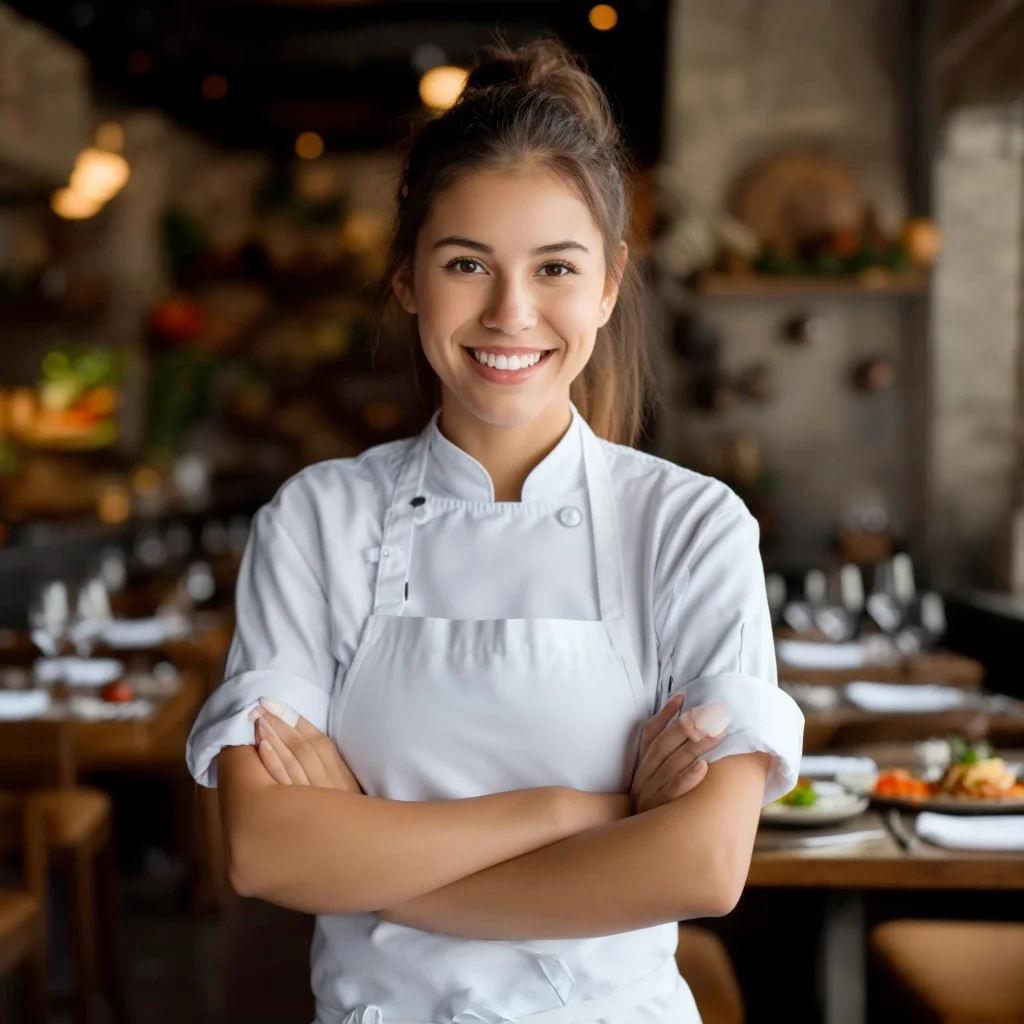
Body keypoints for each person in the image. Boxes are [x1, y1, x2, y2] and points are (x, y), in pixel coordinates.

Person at [186, 38, 803, 1024]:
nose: (511, 314)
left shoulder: (690, 527)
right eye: (466, 263)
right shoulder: (317, 520)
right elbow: (267, 851)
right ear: (407, 278)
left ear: (609, 284)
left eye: (555, 267)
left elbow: (702, 863)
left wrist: (373, 866)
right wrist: (585, 810)